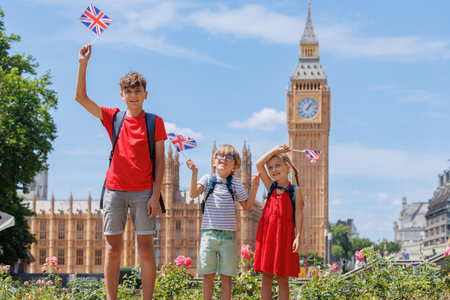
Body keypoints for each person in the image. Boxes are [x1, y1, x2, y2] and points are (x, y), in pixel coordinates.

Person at [75, 44, 167, 300]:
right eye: (129, 92)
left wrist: (155, 195)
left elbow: (160, 162)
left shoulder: (155, 122)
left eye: (137, 91)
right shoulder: (113, 117)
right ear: (122, 95)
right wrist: (83, 64)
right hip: (114, 190)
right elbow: (81, 99)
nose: (133, 95)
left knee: (146, 250)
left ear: (145, 94)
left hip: (143, 192)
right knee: (112, 248)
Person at [187, 144, 260, 300]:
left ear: (235, 166)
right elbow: (193, 194)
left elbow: (247, 206)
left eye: (229, 157)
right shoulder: (207, 179)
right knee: (208, 275)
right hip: (208, 234)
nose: (223, 159)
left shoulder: (236, 183)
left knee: (227, 276)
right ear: (214, 161)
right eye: (219, 155)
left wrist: (254, 188)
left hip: (228, 236)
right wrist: (194, 173)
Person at [254, 144, 304, 300]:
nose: (273, 170)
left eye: (277, 165)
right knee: (266, 276)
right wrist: (276, 150)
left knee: (282, 278)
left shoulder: (295, 190)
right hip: (268, 235)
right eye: (270, 167)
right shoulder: (270, 186)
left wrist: (298, 236)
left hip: (284, 236)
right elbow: (258, 164)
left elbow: (299, 213)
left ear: (288, 167)